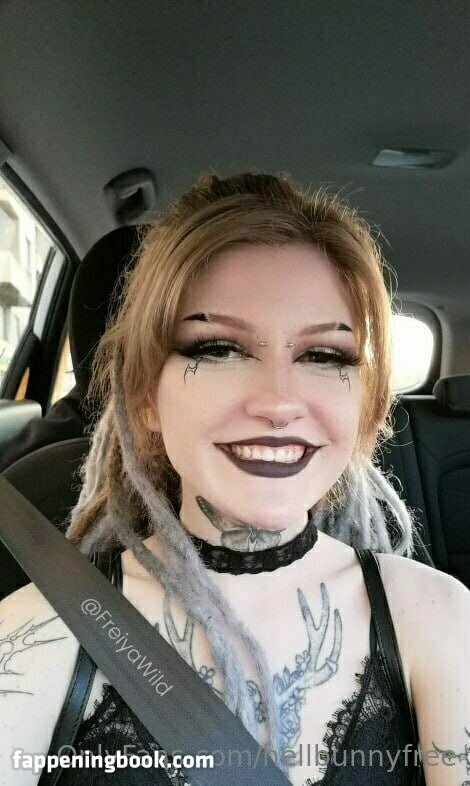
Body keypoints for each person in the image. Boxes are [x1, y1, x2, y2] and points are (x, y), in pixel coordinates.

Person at [1, 172, 468, 786]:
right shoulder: (37, 636)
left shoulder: (438, 617)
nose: (279, 403)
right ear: (145, 394)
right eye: (218, 348)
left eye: (324, 355)